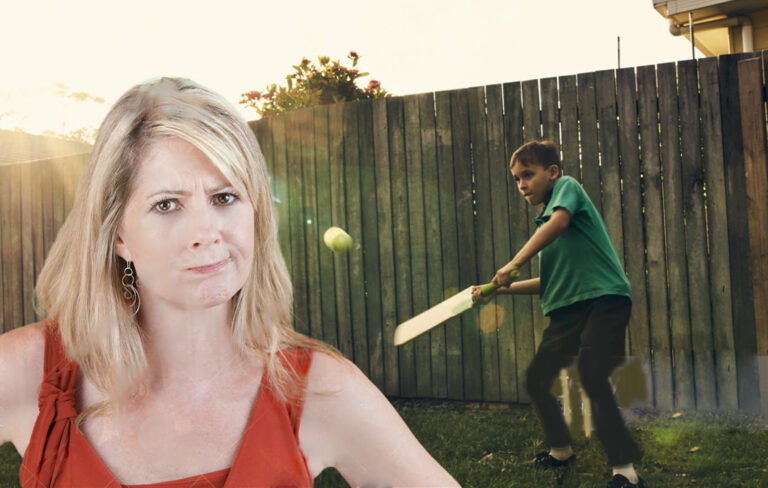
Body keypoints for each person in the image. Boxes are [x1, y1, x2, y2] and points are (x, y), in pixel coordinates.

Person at [0, 77, 459, 488]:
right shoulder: (25, 371)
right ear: (118, 235)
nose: (206, 233)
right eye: (167, 205)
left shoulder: (319, 390)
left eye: (225, 197)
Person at [472, 140, 644, 488]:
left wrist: (513, 263)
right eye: (517, 179)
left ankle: (626, 472)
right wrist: (499, 288)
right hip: (567, 310)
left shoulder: (566, 193)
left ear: (551, 172)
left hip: (605, 300)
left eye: (528, 175)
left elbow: (559, 223)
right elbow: (546, 282)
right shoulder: (546, 223)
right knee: (537, 378)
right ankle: (560, 450)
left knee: (592, 374)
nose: (522, 184)